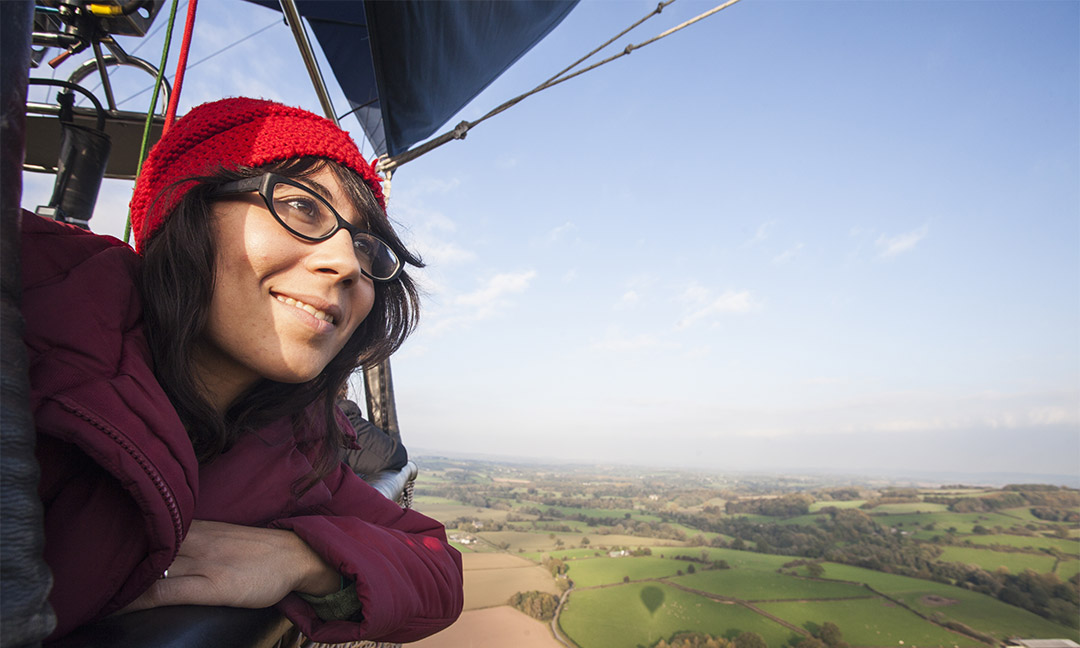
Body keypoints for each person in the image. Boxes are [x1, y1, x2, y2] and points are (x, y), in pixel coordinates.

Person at [23, 97, 463, 643]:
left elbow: (436, 568)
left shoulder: (290, 446)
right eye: (303, 208)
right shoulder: (32, 337)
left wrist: (306, 561)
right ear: (186, 209)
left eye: (366, 250)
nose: (348, 264)